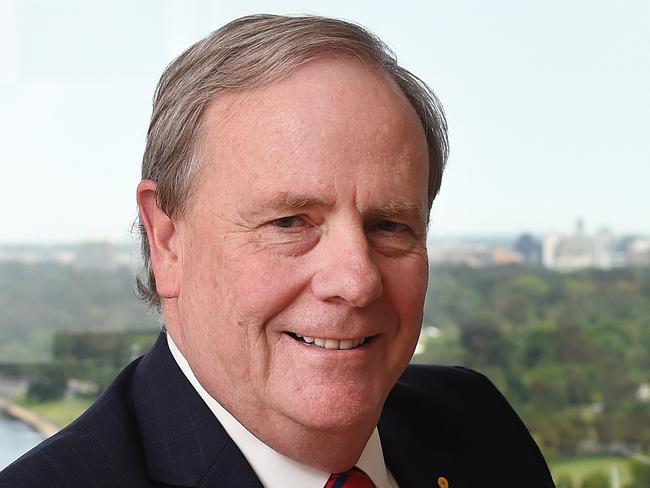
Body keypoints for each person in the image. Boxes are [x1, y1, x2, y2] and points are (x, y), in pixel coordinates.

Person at [0, 14, 554, 488]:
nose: (357, 280)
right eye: (289, 222)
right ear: (166, 239)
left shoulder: (476, 422)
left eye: (389, 225)